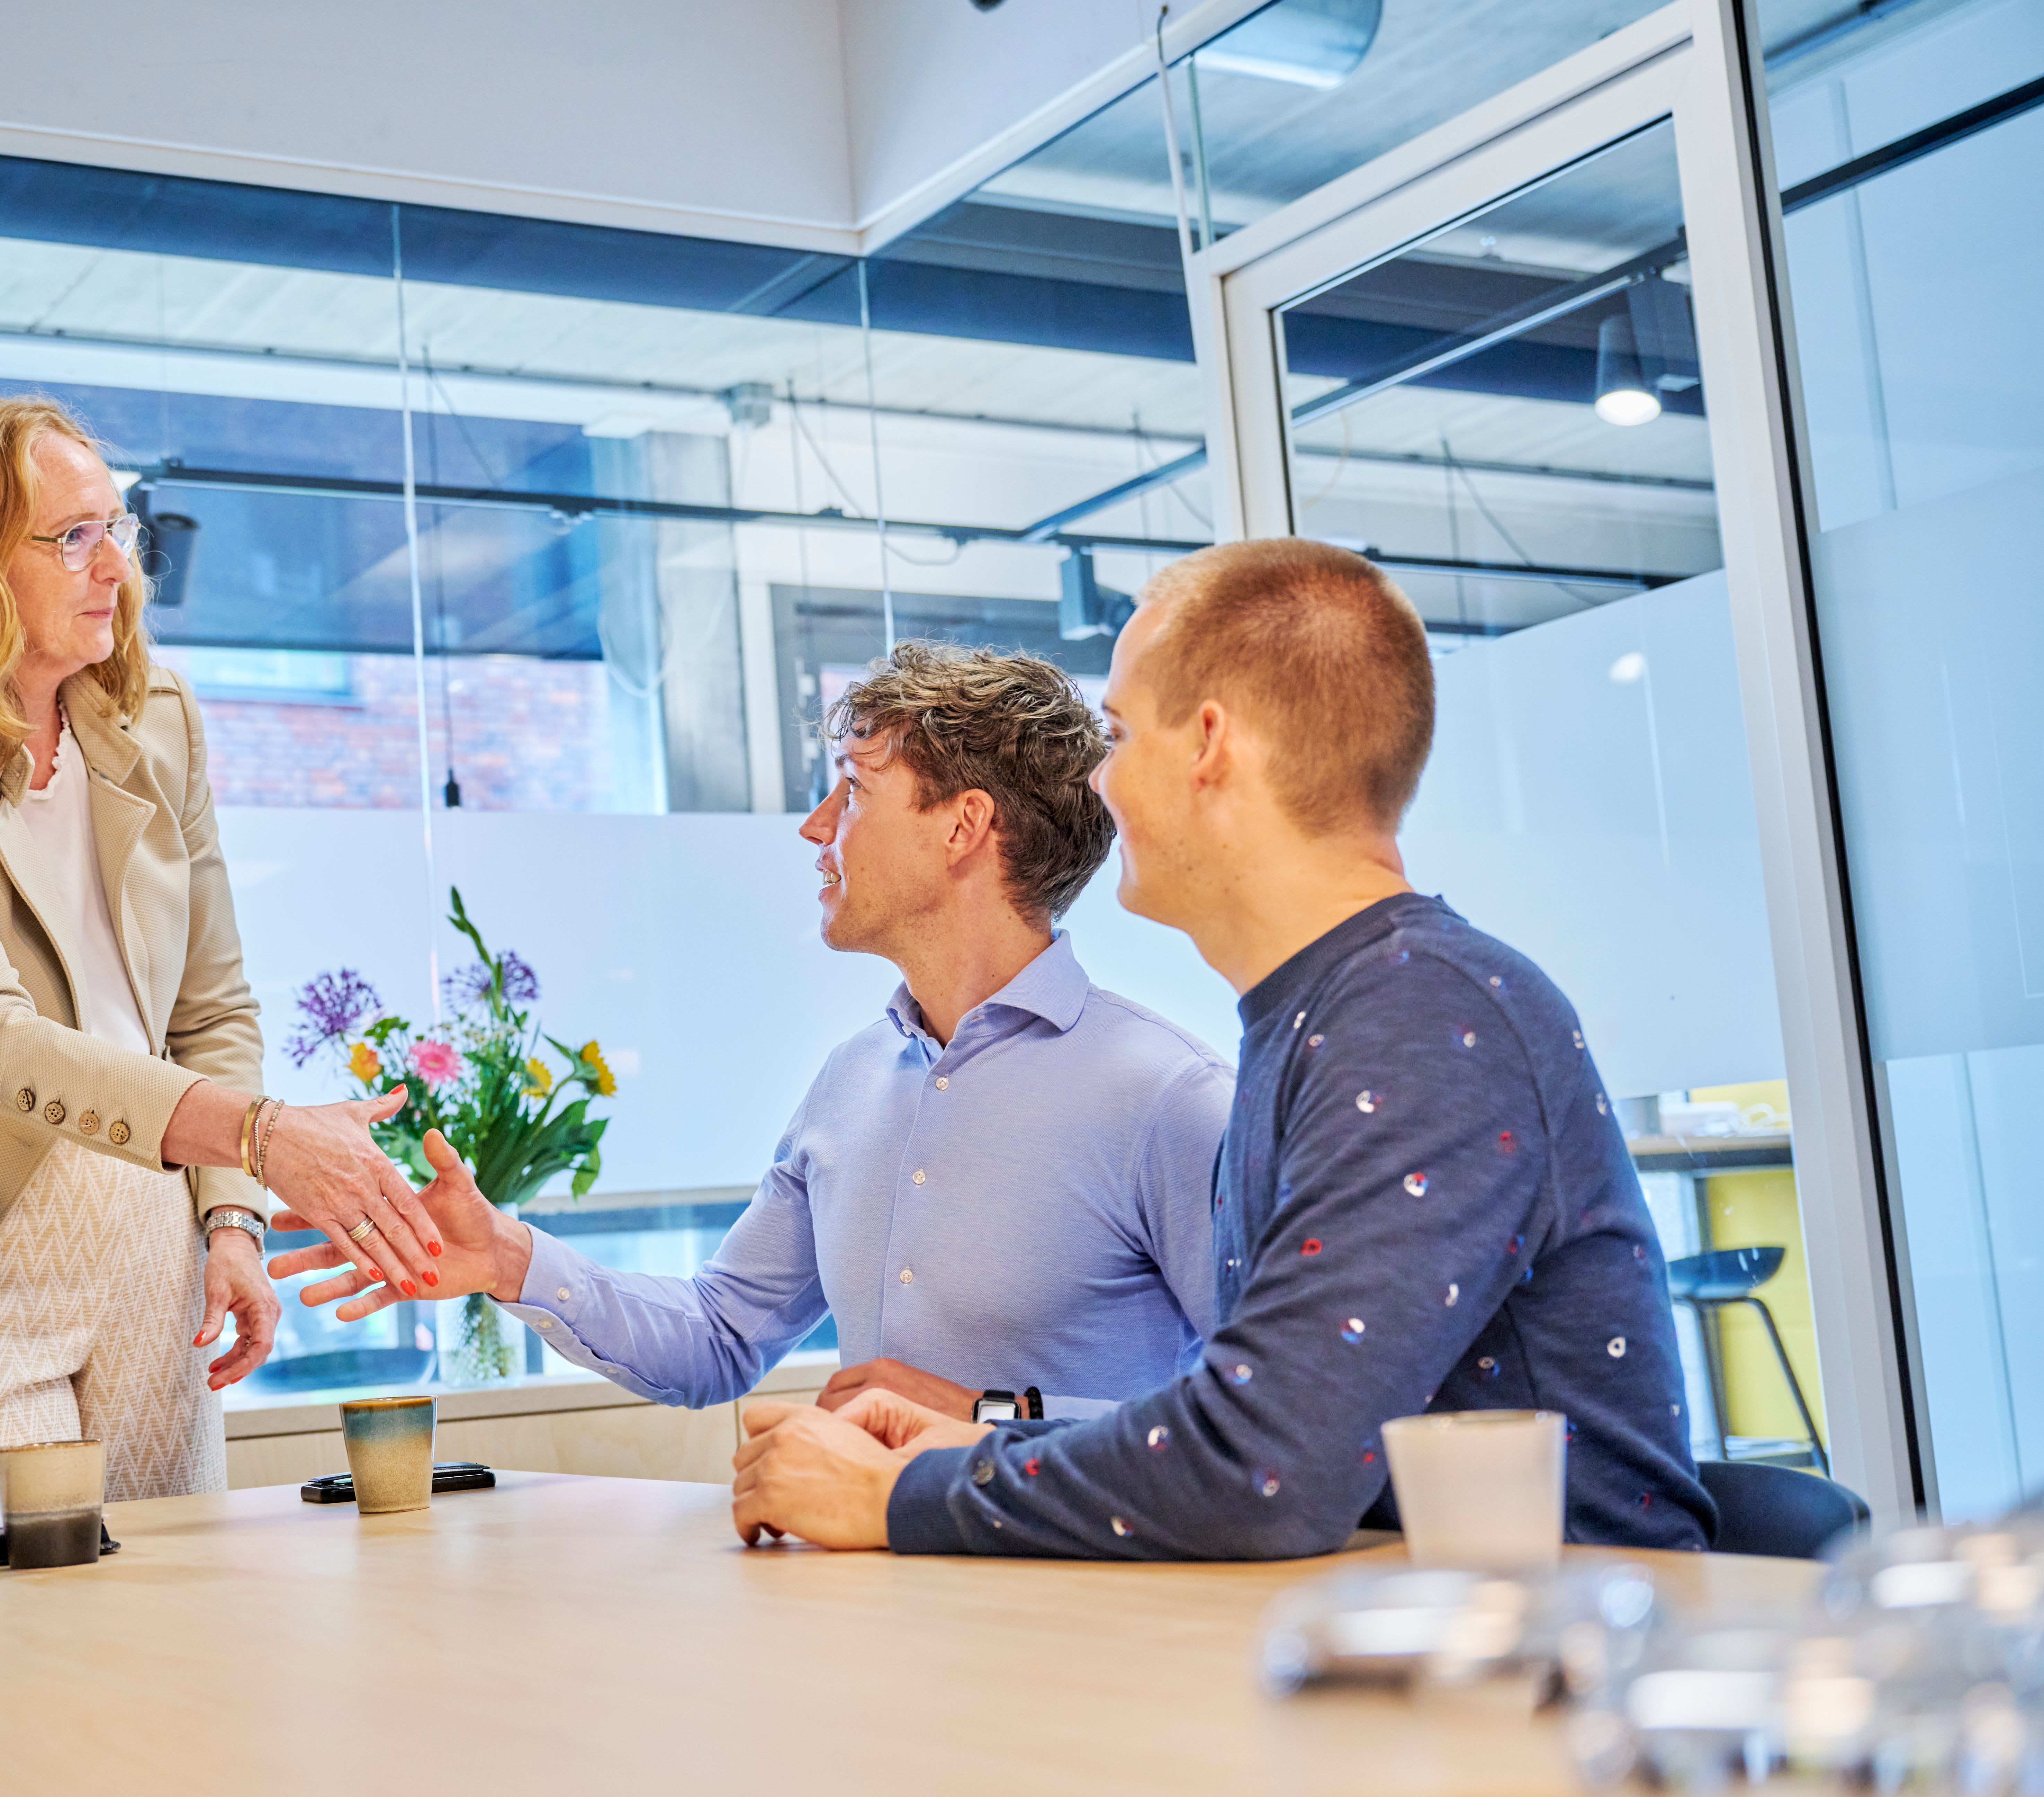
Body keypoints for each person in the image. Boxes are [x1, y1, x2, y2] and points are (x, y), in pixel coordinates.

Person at [729, 540, 1715, 1559]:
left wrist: (901, 1493)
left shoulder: (1422, 1014)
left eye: (1118, 736)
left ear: (1209, 746)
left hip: (1552, 1639)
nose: (1099, 784)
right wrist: (987, 1436)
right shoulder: (1331, 1014)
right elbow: (1268, 1422)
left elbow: (1266, 1468)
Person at [271, 643, 1233, 1424]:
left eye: (853, 792)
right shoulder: (852, 1082)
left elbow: (1267, 1423)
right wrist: (508, 1257)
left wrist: (990, 1417)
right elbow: (720, 1336)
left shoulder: (1168, 1100)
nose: (817, 827)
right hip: (885, 1582)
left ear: (962, 827)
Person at [0, 394, 443, 1512]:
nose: (117, 568)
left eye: (118, 529)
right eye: (73, 537)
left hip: (152, 1238)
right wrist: (263, 1136)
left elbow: (211, 1009)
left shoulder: (160, 717)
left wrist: (231, 1218)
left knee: (173, 1603)